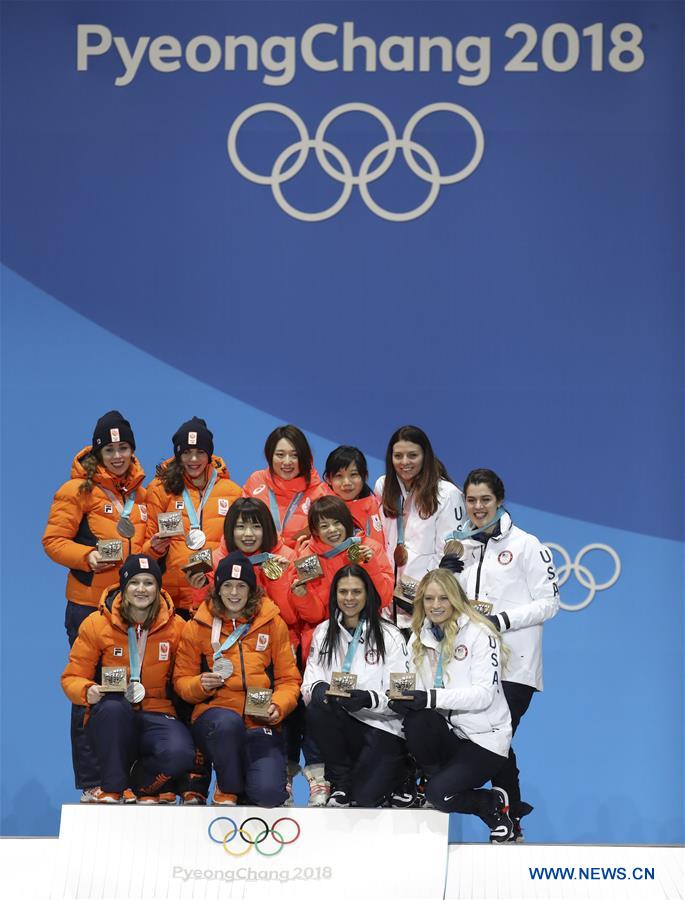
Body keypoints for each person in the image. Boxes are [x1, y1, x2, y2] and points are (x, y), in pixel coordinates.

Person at [440, 468, 559, 841]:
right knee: (493, 743)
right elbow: (441, 604)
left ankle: (505, 815)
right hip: (469, 668)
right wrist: (442, 573)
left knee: (495, 740)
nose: (477, 507)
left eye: (485, 500)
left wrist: (500, 619)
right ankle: (508, 817)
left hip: (514, 666)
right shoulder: (459, 546)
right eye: (471, 500)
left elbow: (550, 602)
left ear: (500, 501)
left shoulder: (527, 545)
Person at [43, 410, 147, 801]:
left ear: (132, 450)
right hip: (89, 608)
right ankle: (92, 783)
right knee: (90, 693)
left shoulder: (142, 494)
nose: (117, 455)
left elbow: (147, 539)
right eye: (110, 448)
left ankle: (126, 780)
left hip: (136, 610)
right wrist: (87, 558)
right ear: (97, 451)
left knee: (135, 693)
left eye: (123, 448)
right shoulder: (76, 491)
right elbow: (53, 541)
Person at [390, 568, 514, 841]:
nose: (436, 606)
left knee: (440, 795)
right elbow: (414, 688)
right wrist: (399, 699)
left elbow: (484, 694)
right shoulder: (419, 637)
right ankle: (433, 781)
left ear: (456, 599)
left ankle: (490, 804)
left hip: (485, 739)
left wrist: (430, 698)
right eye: (429, 599)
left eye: (443, 598)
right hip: (450, 733)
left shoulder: (481, 633)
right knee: (416, 720)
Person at [61, 555, 195, 803]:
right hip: (114, 714)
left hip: (157, 711)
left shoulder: (177, 627)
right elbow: (72, 676)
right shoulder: (96, 623)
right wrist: (87, 690)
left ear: (158, 587)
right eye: (134, 582)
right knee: (113, 709)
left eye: (148, 583)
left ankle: (142, 787)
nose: (141, 589)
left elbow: (185, 676)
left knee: (181, 754)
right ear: (123, 586)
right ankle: (113, 788)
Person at [173, 552, 301, 807]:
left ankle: (242, 781)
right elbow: (181, 681)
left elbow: (289, 680)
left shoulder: (272, 623)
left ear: (252, 590)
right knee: (227, 725)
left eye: (241, 586)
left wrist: (278, 706)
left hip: (258, 720)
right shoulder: (198, 624)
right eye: (227, 586)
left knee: (269, 794)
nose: (234, 592)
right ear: (217, 589)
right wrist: (199, 684)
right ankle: (227, 786)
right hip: (215, 718)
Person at [302, 565, 408, 808]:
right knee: (318, 707)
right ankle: (340, 782)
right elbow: (309, 682)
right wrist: (319, 689)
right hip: (341, 722)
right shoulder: (323, 632)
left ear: (368, 594)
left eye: (356, 592)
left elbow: (400, 697)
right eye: (343, 592)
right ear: (335, 595)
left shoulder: (390, 635)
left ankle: (402, 774)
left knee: (365, 800)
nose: (349, 599)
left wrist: (368, 698)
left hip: (380, 726)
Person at [143, 417, 241, 616]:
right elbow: (143, 552)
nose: (193, 460)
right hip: (170, 601)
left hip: (216, 599)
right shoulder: (160, 489)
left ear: (209, 454)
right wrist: (154, 549)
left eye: (200, 452)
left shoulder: (232, 492)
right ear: (178, 455)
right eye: (186, 452)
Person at [374, 425, 465, 631]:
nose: (404, 462)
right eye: (398, 456)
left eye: (412, 455)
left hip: (424, 608)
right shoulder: (384, 486)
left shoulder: (446, 494)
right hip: (386, 608)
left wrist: (429, 597)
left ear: (425, 456)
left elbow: (449, 554)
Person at [289, 496, 393, 662]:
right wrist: (303, 596)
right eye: (324, 526)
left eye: (337, 523)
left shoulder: (369, 548)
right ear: (314, 530)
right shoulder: (307, 559)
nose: (332, 530)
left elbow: (383, 599)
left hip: (367, 630)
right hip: (327, 636)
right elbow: (314, 616)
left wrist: (370, 564)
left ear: (347, 522)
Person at [242, 424, 325, 549]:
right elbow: (239, 526)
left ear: (304, 457)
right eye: (280, 455)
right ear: (270, 456)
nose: (287, 462)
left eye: (294, 455)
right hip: (257, 560)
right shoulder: (256, 480)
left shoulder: (320, 492)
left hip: (300, 563)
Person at [322, 445, 385, 541]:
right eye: (339, 476)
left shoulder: (380, 508)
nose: (347, 483)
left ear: (365, 476)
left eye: (353, 474)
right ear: (328, 479)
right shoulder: (319, 511)